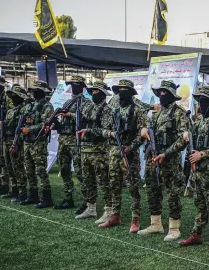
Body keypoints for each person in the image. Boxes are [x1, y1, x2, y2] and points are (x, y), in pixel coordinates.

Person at [138, 80, 191, 241]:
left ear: (171, 96)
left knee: (173, 194)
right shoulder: (156, 113)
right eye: (160, 92)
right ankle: (156, 224)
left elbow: (184, 139)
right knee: (152, 190)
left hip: (170, 160)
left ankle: (174, 228)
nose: (162, 96)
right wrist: (144, 129)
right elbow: (146, 128)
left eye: (165, 93)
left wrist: (166, 153)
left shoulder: (179, 113)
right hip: (152, 158)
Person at [178, 86, 209, 253]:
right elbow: (188, 139)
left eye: (205, 100)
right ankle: (196, 234)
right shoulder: (198, 121)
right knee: (199, 205)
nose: (201, 103)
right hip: (196, 172)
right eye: (200, 100)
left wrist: (203, 154)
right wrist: (185, 134)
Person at [98, 79, 147, 231]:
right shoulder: (112, 108)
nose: (121, 93)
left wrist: (130, 147)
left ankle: (135, 218)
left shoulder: (138, 110)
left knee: (133, 186)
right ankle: (115, 215)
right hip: (114, 152)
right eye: (120, 90)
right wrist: (111, 134)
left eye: (125, 90)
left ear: (131, 92)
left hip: (129, 154)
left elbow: (143, 134)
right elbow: (103, 129)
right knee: (114, 184)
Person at [75, 81, 113, 222]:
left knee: (103, 181)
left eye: (97, 92)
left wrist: (88, 130)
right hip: (86, 149)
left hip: (99, 151)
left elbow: (106, 129)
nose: (94, 94)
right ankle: (90, 208)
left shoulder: (107, 110)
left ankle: (109, 210)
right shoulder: (89, 107)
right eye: (93, 91)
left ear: (103, 94)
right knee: (87, 180)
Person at [51, 76, 89, 210]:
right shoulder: (68, 101)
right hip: (64, 139)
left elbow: (86, 118)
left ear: (82, 87)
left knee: (80, 171)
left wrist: (70, 115)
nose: (73, 87)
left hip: (76, 140)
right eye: (72, 85)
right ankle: (68, 198)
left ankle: (88, 202)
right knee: (64, 168)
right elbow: (63, 120)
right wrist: (55, 124)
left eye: (76, 85)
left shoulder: (85, 102)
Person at [20, 81, 54, 208]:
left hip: (38, 142)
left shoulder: (47, 106)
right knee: (29, 170)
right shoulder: (31, 105)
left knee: (40, 170)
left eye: (35, 90)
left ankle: (46, 198)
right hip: (28, 141)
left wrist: (30, 129)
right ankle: (33, 195)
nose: (33, 92)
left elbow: (46, 124)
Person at [3, 85, 30, 202]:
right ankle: (14, 189)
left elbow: (22, 127)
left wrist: (17, 143)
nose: (13, 98)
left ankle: (22, 192)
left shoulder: (25, 109)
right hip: (7, 140)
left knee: (18, 167)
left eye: (16, 96)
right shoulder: (10, 110)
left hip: (17, 141)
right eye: (12, 96)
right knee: (9, 166)